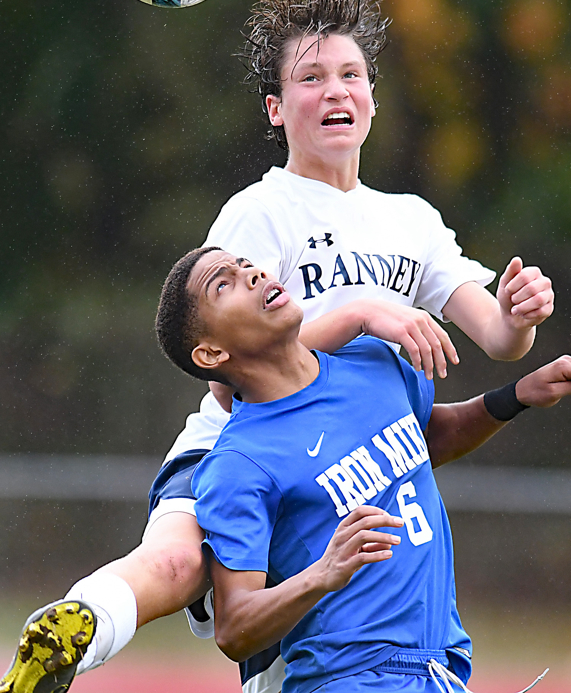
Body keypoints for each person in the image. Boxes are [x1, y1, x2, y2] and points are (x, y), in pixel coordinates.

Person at [0, 0, 554, 693]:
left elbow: (499, 341)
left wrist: (517, 315)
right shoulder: (260, 212)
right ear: (274, 108)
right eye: (310, 78)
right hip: (242, 442)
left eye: (350, 75)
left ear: (373, 96)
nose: (335, 90)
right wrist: (358, 314)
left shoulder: (411, 221)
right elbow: (231, 373)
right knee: (178, 561)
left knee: (306, 647)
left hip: (341, 455)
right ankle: (78, 625)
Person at [160, 248, 563, 692]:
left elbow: (424, 439)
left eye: (244, 265)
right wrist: (322, 573)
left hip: (441, 671)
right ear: (211, 353)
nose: (251, 274)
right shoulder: (238, 463)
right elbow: (234, 629)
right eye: (223, 284)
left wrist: (516, 396)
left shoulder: (372, 360)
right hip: (350, 680)